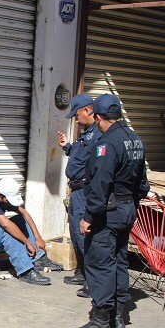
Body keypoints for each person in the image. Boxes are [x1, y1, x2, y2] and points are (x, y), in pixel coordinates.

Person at [70, 94, 149, 328]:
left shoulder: (108, 144)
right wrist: (130, 205)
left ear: (101, 117)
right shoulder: (135, 140)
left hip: (107, 212)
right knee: (119, 260)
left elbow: (101, 183)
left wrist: (89, 216)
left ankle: (100, 323)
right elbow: (142, 183)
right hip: (126, 210)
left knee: (99, 264)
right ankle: (117, 316)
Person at [0, 177, 62, 286]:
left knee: (20, 219)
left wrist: (38, 238)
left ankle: (39, 259)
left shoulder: (1, 198)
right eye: (8, 200)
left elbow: (24, 214)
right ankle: (25, 271)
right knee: (5, 229)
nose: (9, 203)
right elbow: (6, 224)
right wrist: (27, 243)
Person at [58, 93, 101, 297]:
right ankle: (83, 273)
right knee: (76, 234)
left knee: (85, 236)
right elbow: (80, 156)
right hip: (76, 190)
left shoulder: (99, 134)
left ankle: (94, 283)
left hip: (85, 191)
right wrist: (67, 147)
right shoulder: (87, 134)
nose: (76, 119)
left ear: (87, 110)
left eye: (76, 114)